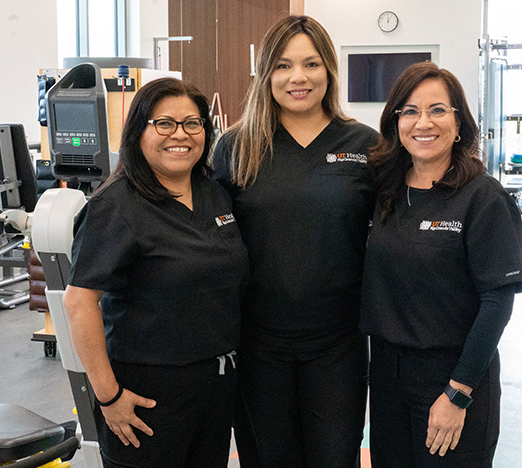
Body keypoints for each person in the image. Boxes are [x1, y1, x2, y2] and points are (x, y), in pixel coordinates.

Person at [212, 14, 378, 468]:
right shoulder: (235, 147)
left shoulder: (365, 146)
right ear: (266, 74)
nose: (297, 77)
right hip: (257, 345)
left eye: (311, 64)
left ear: (329, 70)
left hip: (338, 345)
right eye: (283, 65)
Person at [64, 77, 249, 468]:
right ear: (139, 131)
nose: (179, 135)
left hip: (215, 386)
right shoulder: (116, 206)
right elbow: (80, 301)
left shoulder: (214, 192)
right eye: (164, 123)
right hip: (146, 395)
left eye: (192, 123)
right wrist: (108, 396)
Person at [360, 61, 522, 468]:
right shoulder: (385, 192)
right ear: (395, 122)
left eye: (438, 110)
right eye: (410, 111)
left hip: (452, 375)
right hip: (386, 376)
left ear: (459, 125)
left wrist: (458, 392)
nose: (424, 123)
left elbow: (496, 302)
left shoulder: (483, 198)